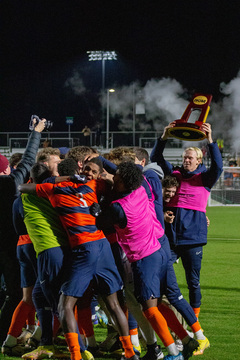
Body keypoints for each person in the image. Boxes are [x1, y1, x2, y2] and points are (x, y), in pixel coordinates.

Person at [19, 163, 138, 360]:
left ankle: (76, 355)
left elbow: (22, 187)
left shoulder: (52, 188)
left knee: (65, 304)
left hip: (85, 248)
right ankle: (130, 353)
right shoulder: (91, 185)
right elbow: (111, 184)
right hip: (102, 245)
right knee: (114, 303)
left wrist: (60, 179)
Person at [150, 122, 223, 355]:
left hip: (192, 239)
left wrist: (210, 139)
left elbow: (219, 166)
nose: (187, 160)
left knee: (193, 282)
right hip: (170, 239)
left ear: (199, 161)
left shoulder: (205, 178)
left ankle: (193, 330)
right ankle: (172, 321)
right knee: (161, 279)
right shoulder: (175, 175)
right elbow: (156, 157)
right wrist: (163, 136)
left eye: (191, 157)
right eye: (185, 157)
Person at [0, 118, 46, 347]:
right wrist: (36, 132)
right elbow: (28, 159)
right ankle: (5, 336)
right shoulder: (10, 184)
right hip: (10, 248)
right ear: (6, 169)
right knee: (15, 294)